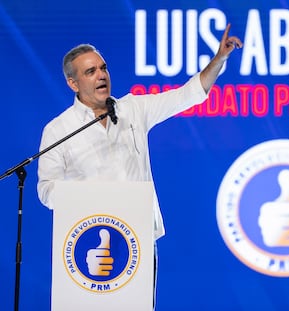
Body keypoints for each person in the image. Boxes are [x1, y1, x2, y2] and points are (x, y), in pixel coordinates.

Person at [37, 23, 242, 306]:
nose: (101, 75)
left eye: (103, 68)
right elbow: (46, 190)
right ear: (73, 83)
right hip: (86, 241)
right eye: (90, 72)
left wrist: (219, 60)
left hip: (137, 240)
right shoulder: (59, 129)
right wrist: (86, 197)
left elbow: (187, 95)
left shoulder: (132, 109)